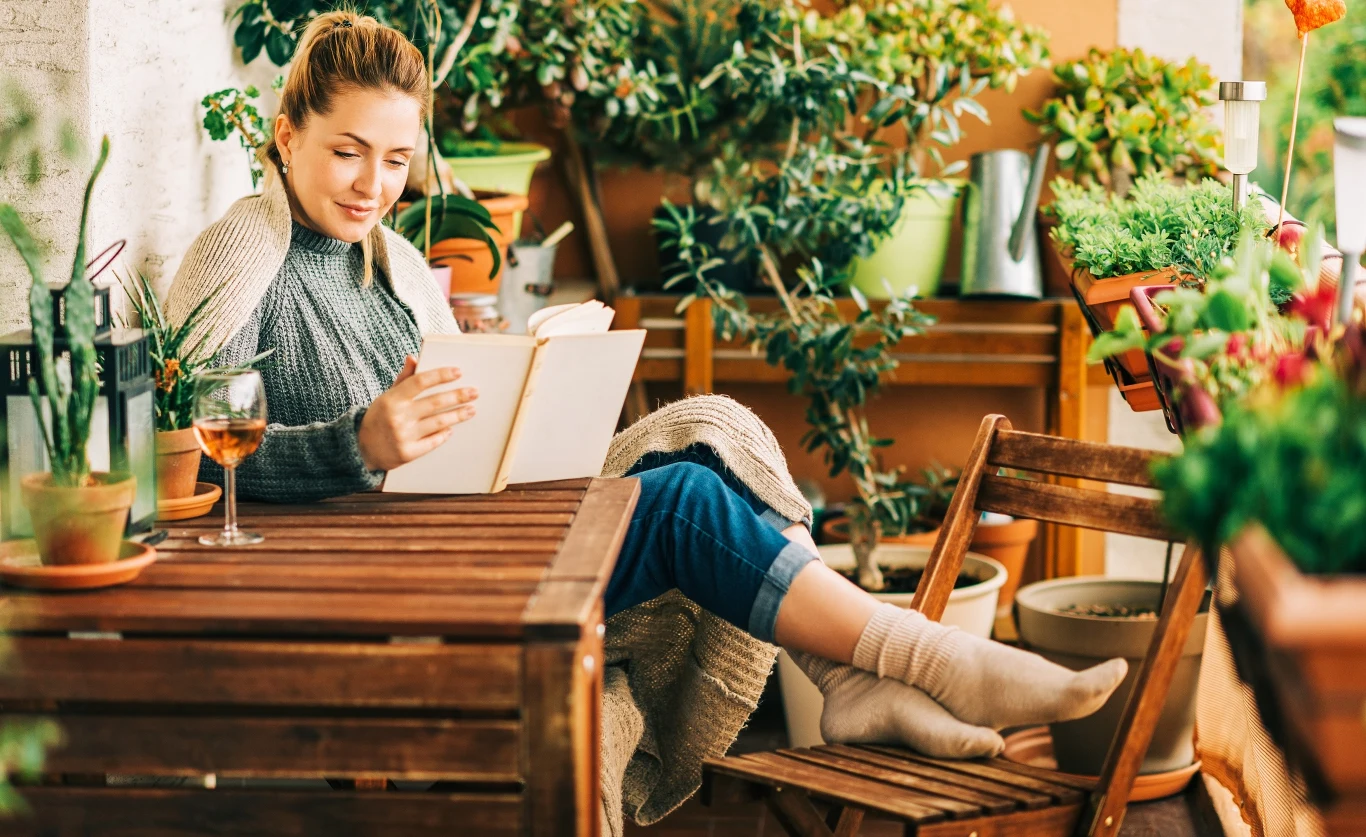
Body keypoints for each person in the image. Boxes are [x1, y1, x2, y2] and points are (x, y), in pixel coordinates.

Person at [166, 8, 1126, 820]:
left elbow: (453, 430)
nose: (373, 185)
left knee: (708, 445)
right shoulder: (242, 250)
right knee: (674, 505)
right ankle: (925, 657)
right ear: (285, 134)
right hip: (395, 582)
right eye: (346, 152)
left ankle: (852, 681)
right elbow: (183, 466)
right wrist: (356, 443)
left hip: (461, 536)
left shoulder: (397, 266)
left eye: (395, 161)